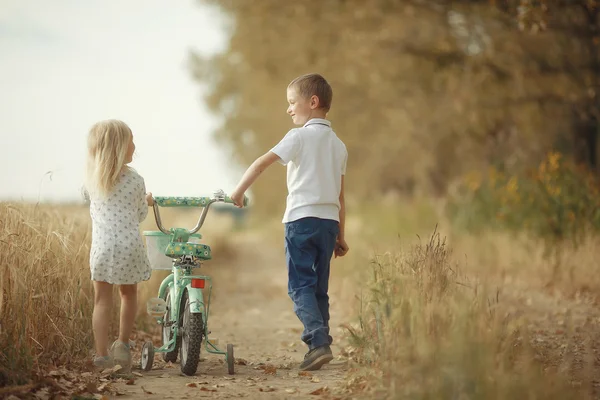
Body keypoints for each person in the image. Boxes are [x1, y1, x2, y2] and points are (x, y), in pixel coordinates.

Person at [230, 73, 349, 371]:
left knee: (300, 287)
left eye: (292, 102)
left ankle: (318, 341)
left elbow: (261, 163)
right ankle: (320, 345)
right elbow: (341, 196)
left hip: (300, 221)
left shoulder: (297, 137)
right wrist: (341, 235)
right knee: (319, 288)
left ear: (312, 102)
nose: (289, 109)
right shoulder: (339, 145)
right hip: (328, 224)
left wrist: (238, 191)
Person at [85, 119, 152, 371]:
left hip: (102, 249)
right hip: (129, 247)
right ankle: (123, 346)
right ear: (120, 147)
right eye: (131, 141)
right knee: (128, 294)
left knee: (101, 300)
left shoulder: (92, 181)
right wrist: (147, 201)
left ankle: (101, 357)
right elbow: (140, 214)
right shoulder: (136, 181)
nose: (134, 146)